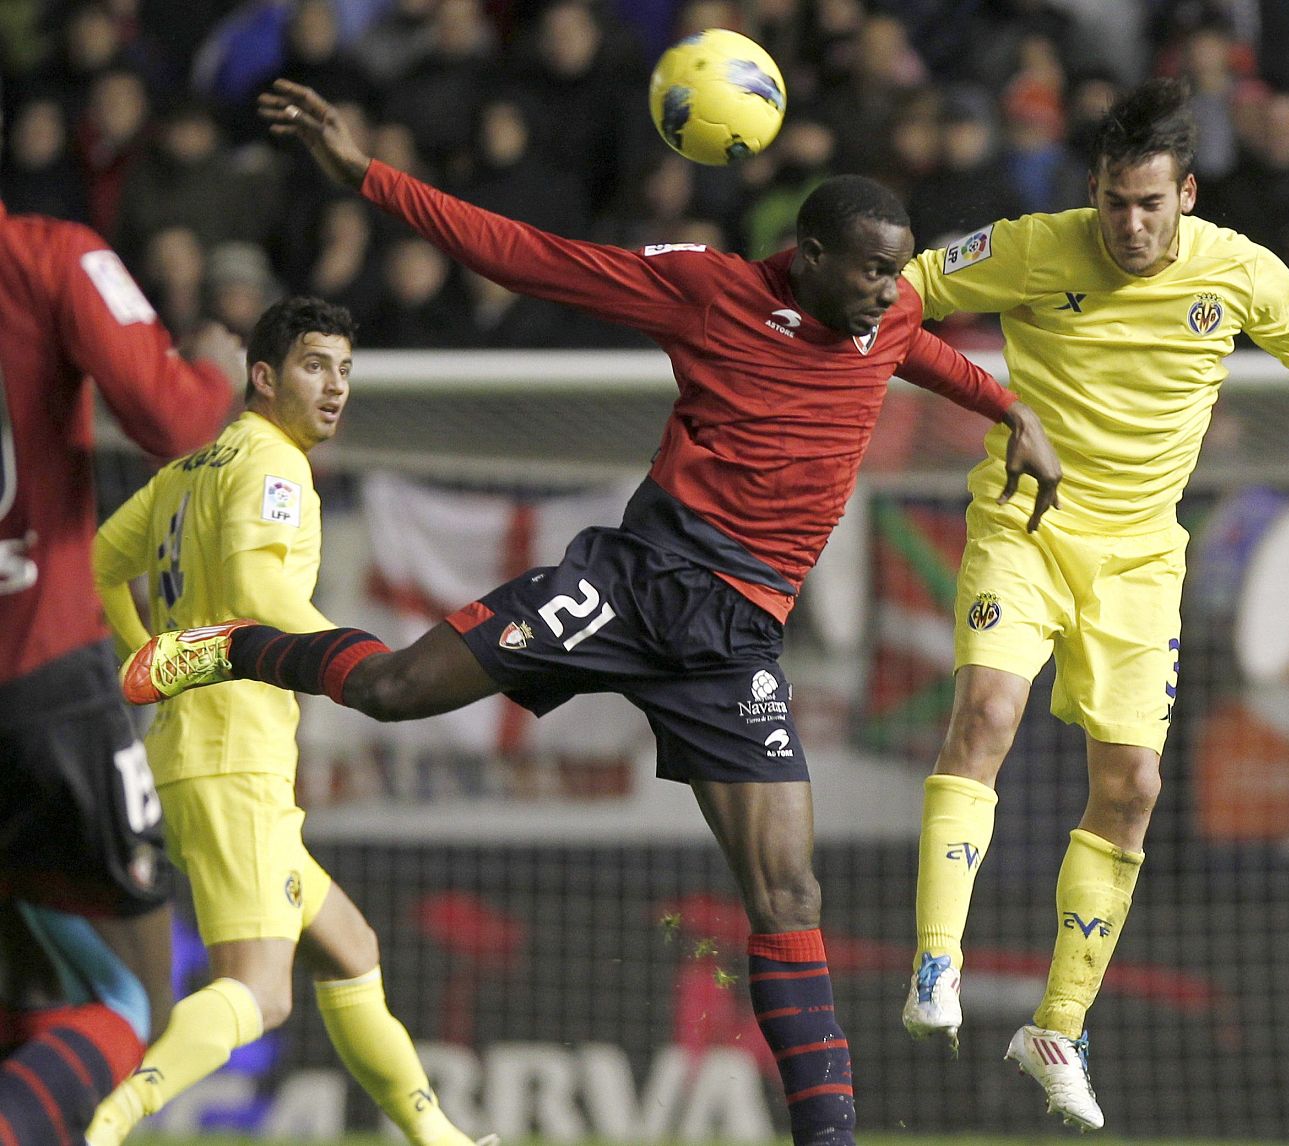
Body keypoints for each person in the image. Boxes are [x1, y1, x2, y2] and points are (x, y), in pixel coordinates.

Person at [117, 77, 1064, 1146]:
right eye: (875, 269)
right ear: (805, 255)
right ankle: (241, 647)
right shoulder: (708, 289)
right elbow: (523, 255)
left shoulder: (884, 313)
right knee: (391, 690)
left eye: (900, 270)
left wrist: (1010, 408)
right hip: (627, 585)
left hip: (734, 641)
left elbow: (921, 350)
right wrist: (367, 176)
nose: (895, 290)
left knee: (787, 891)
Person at [895, 78, 1289, 1130]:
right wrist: (987, 398)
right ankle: (933, 963)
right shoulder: (1035, 245)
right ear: (1089, 191)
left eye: (1145, 203)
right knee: (985, 714)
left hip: (1141, 563)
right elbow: (904, 294)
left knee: (1131, 785)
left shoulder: (1236, 271)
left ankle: (1057, 1026)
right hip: (1025, 530)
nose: (1126, 224)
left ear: (1184, 191)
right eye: (1109, 201)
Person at [85, 298, 491, 1146]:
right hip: (234, 758)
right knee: (262, 991)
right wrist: (366, 662)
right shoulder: (274, 463)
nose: (336, 387)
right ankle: (103, 1122)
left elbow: (100, 562)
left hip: (200, 750)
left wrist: (152, 662)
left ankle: (442, 1140)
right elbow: (263, 593)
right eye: (314, 366)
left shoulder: (187, 467)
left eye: (345, 369)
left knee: (350, 944)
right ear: (262, 377)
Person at [0, 91, 238, 1144]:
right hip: (41, 673)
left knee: (26, 987)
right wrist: (218, 371)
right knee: (133, 1002)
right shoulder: (47, 254)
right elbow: (171, 420)